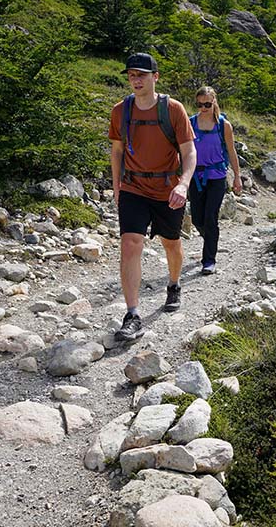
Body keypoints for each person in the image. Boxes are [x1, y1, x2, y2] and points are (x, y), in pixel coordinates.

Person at [108, 53, 196, 343]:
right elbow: (117, 150)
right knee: (130, 243)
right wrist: (117, 186)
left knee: (171, 242)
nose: (135, 80)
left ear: (155, 77)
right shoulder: (121, 111)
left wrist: (183, 184)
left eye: (141, 75)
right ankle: (132, 314)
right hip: (134, 187)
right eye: (131, 74)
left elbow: (189, 152)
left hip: (167, 189)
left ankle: (173, 284)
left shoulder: (173, 110)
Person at [187, 86, 242, 275]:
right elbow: (183, 150)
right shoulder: (190, 123)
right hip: (195, 176)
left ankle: (209, 260)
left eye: (207, 104)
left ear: (214, 102)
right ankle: (209, 239)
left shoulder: (223, 125)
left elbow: (232, 151)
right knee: (196, 219)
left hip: (217, 177)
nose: (203, 108)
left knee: (210, 218)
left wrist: (237, 176)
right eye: (200, 104)